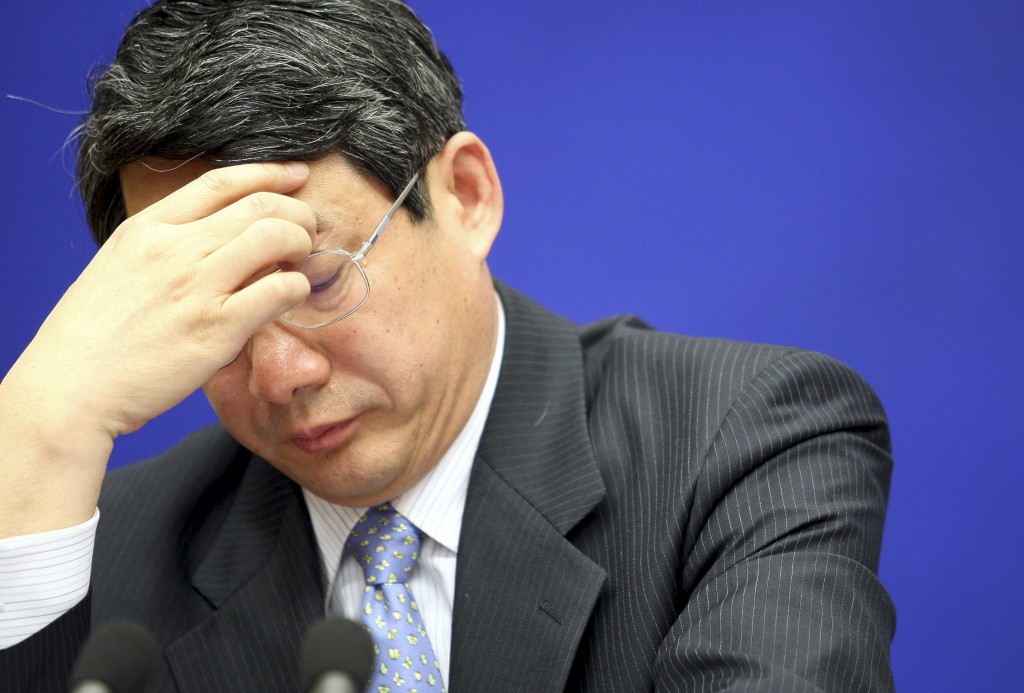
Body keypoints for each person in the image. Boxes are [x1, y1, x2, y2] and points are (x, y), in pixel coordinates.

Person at [0, 0, 896, 690]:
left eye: (318, 281)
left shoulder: (740, 442)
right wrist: (36, 432)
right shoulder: (93, 550)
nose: (280, 373)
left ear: (466, 196)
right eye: (215, 313)